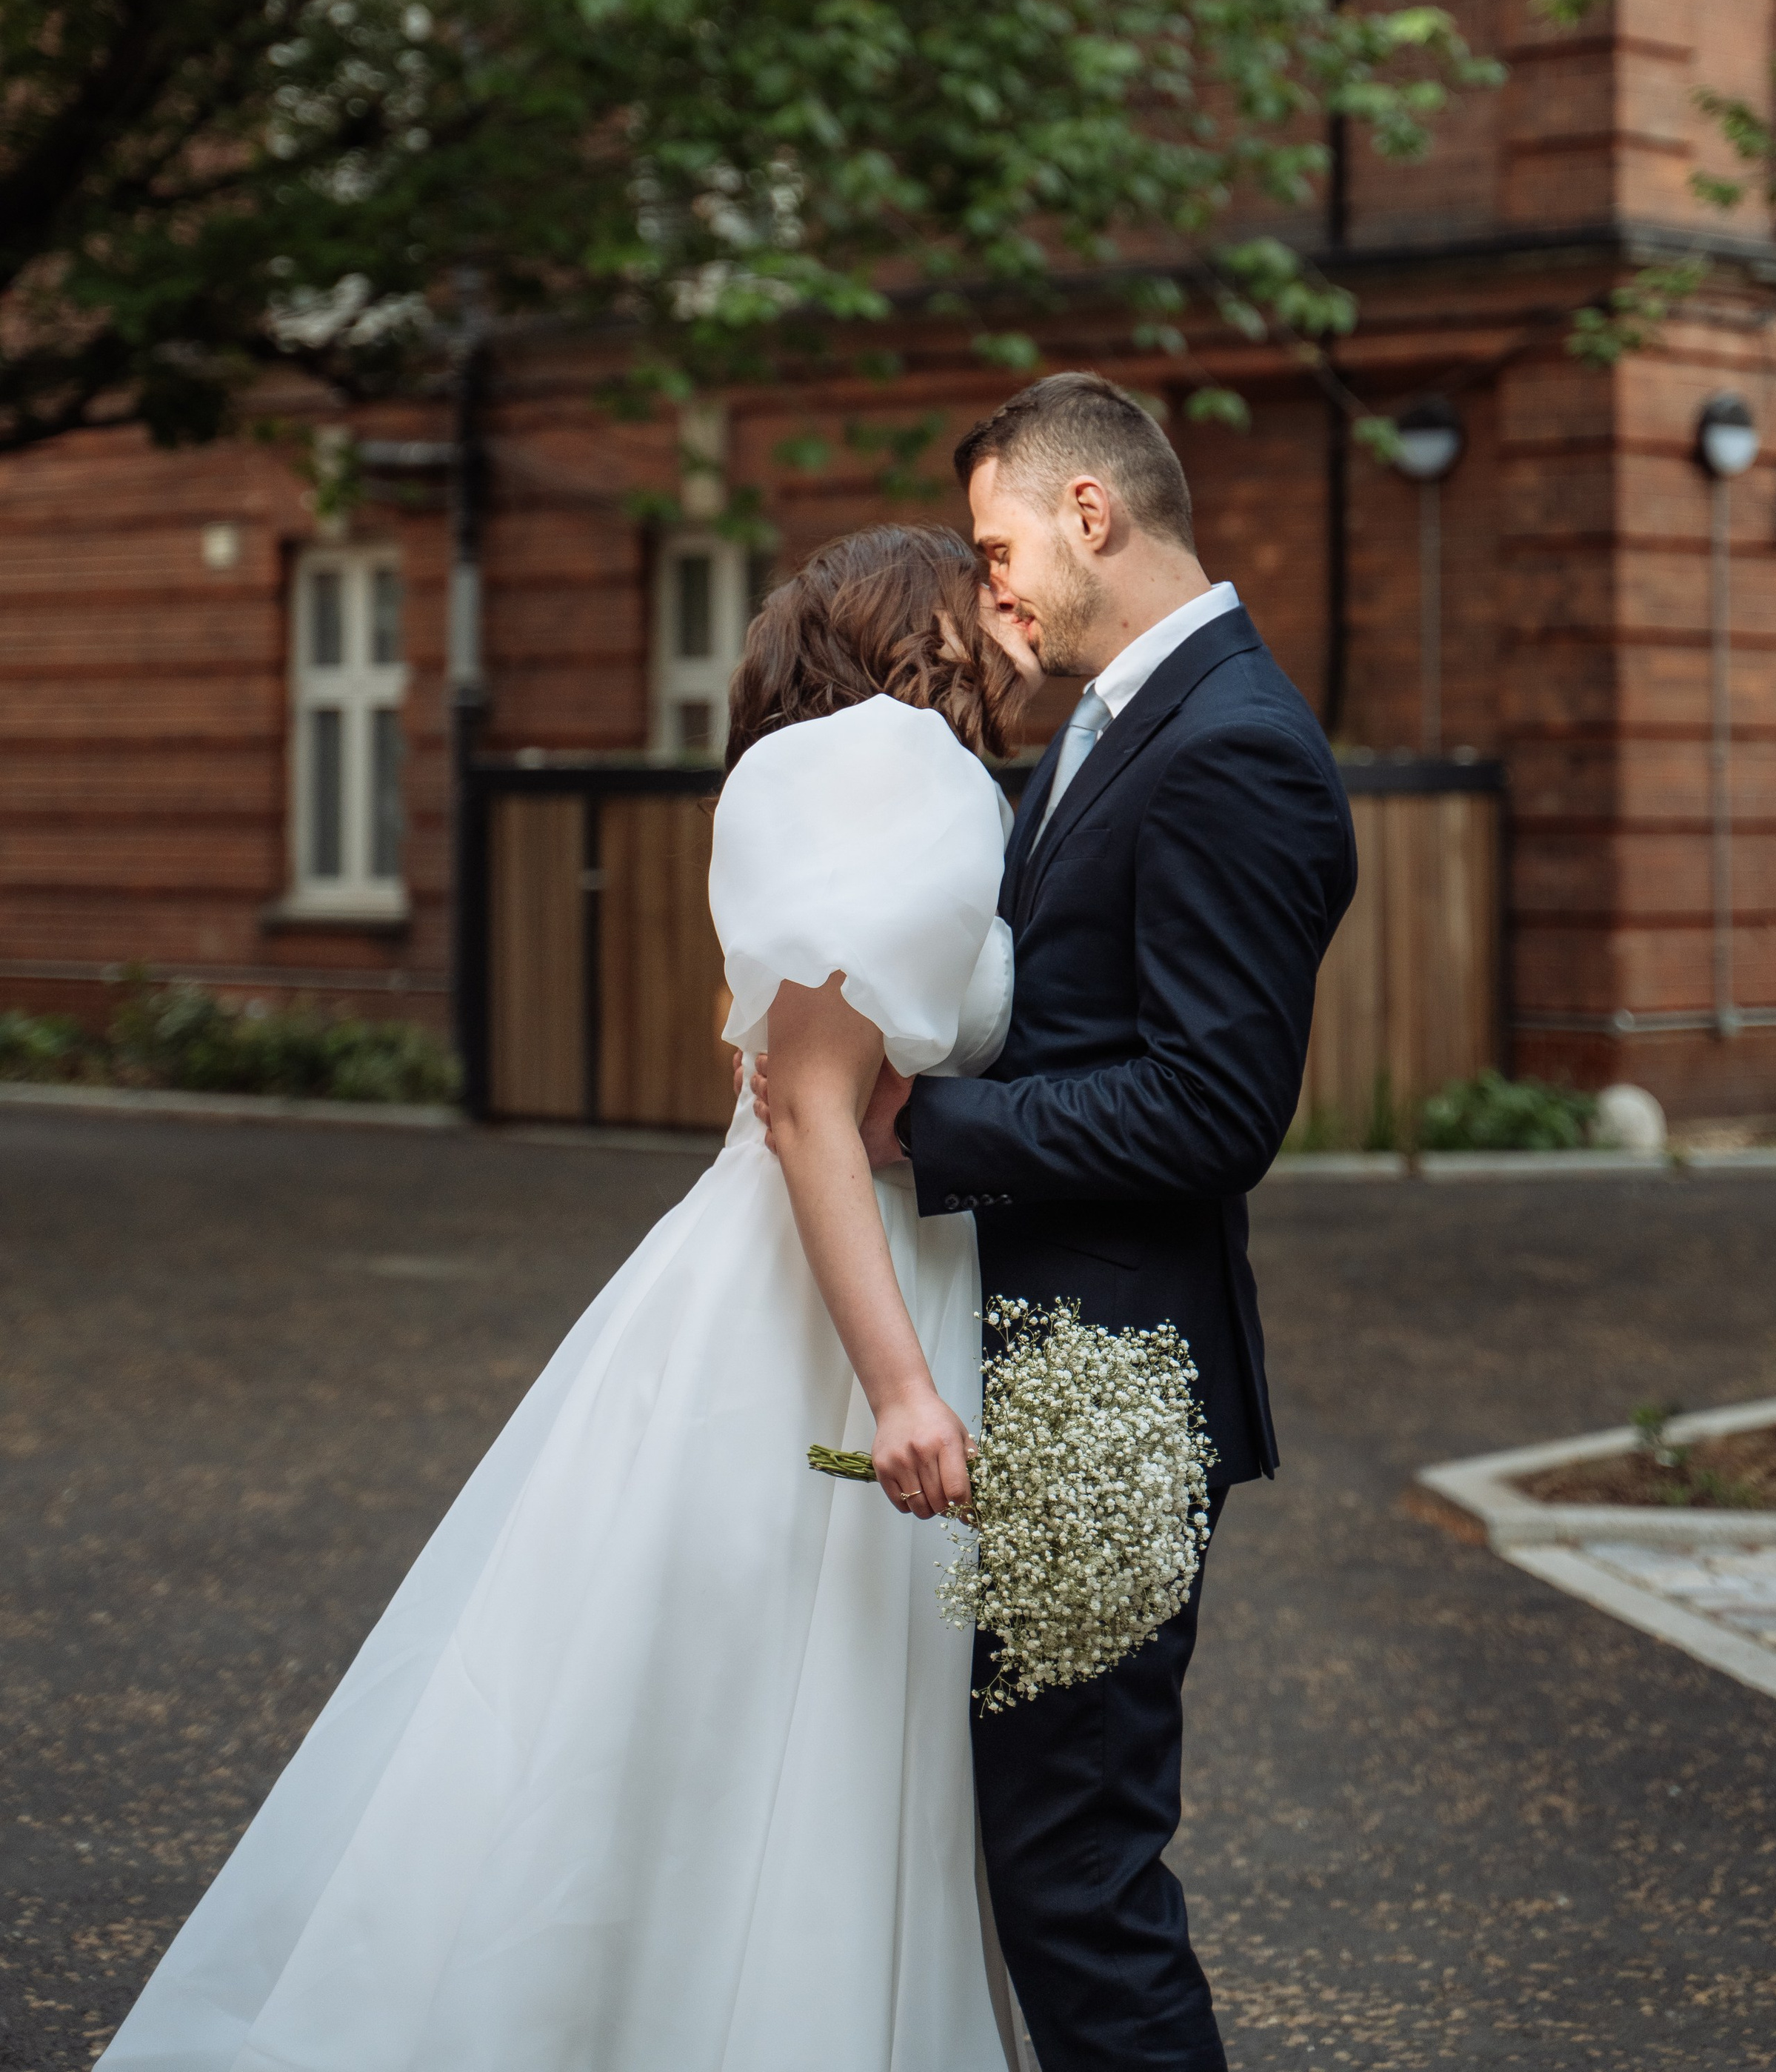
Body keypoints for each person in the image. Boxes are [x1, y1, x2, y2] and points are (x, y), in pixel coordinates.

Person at [95, 523, 1042, 2072]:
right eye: (977, 594)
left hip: (794, 1263)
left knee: (700, 1709)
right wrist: (898, 1389)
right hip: (830, 1305)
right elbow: (809, 1107)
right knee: (768, 1718)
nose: (1004, 620)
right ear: (919, 631)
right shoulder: (894, 764)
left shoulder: (811, 773)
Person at [761, 373, 1357, 2072]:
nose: (989, 581)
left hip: (1108, 1386)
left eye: (997, 539)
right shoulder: (1108, 723)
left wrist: (918, 1123)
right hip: (1028, 1364)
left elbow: (1210, 1109)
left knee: (1073, 1878)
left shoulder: (1234, 747)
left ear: (1089, 513)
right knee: (1037, 1860)